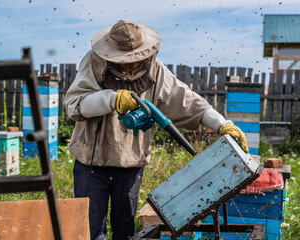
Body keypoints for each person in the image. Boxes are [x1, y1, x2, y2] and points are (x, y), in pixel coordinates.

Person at [64, 20, 248, 240]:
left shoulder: (156, 70)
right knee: (88, 230)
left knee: (124, 230)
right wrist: (111, 99)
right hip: (91, 162)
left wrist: (221, 124)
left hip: (130, 161)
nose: (129, 68)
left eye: (134, 62)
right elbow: (74, 105)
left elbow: (187, 101)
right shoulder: (93, 62)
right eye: (123, 63)